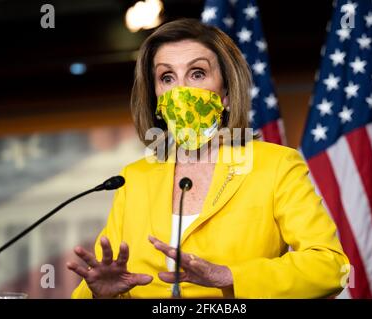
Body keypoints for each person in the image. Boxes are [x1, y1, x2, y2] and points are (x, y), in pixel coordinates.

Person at [68, 18, 349, 299]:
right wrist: (100, 294)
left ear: (226, 92)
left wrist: (229, 277)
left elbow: (329, 267)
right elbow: (100, 282)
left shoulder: (275, 165)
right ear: (155, 99)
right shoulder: (133, 179)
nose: (181, 90)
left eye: (197, 73)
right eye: (167, 78)